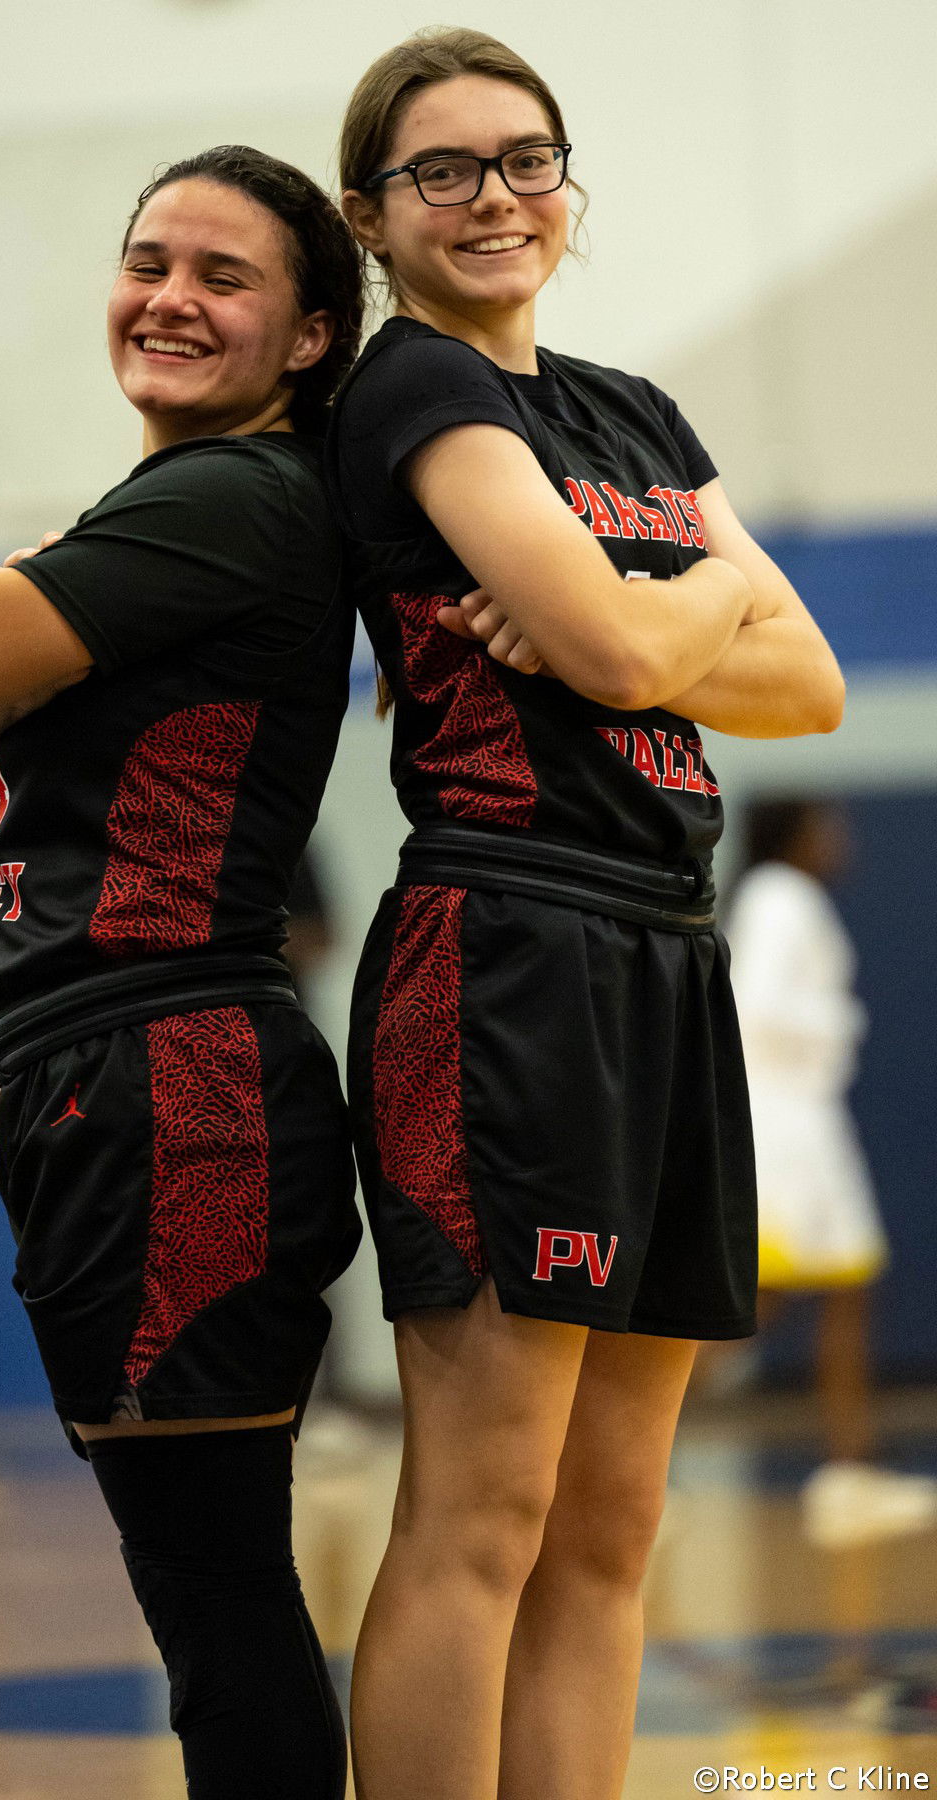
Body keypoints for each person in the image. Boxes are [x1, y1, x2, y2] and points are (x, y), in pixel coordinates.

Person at [328, 29, 846, 1800]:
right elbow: (668, 651)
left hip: (664, 954)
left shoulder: (632, 412)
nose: (494, 197)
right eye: (444, 171)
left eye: (526, 158)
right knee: (487, 1512)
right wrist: (695, 597)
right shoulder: (411, 393)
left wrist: (626, 597)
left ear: (571, 191)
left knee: (615, 1531)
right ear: (373, 221)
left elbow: (818, 683)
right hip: (506, 952)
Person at [0, 147, 364, 1799]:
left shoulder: (230, 494)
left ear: (310, 336)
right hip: (123, 1086)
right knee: (210, 1598)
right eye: (147, 257)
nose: (168, 295)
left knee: (220, 1608)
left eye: (223, 277)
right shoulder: (172, 510)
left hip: (174, 1091)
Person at [726, 798, 937, 1548]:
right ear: (795, 833)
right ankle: (616, 1460)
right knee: (755, 1300)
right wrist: (839, 1022)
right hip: (783, 1123)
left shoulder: (783, 898)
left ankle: (850, 1471)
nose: (841, 837)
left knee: (836, 1286)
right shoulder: (780, 896)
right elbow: (751, 1006)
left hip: (805, 1117)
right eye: (827, 824)